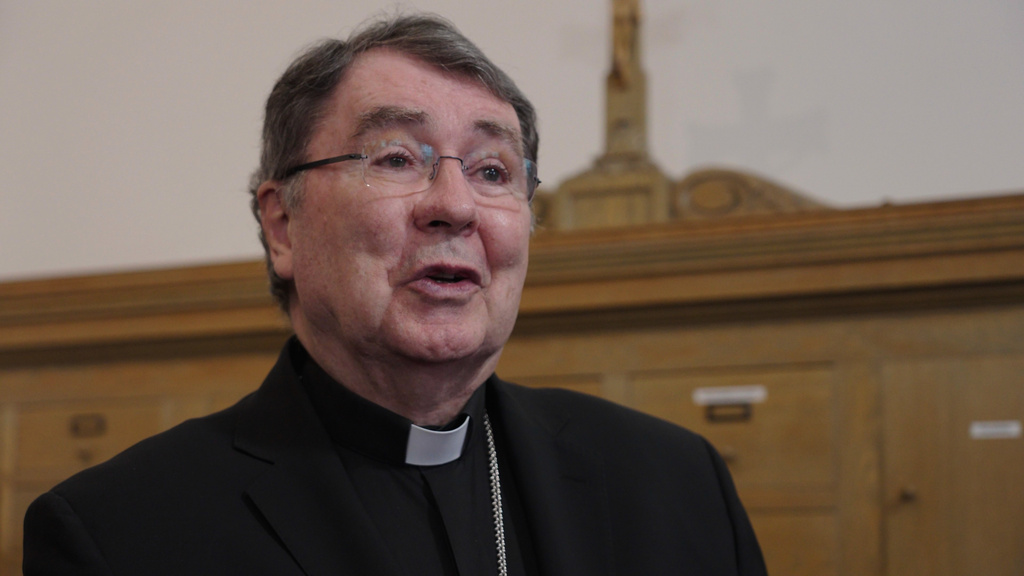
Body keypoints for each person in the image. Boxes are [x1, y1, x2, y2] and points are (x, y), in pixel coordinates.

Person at [23, 13, 767, 576]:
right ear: (283, 226)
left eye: (493, 171)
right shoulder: (120, 534)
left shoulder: (675, 484)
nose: (455, 205)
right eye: (398, 157)